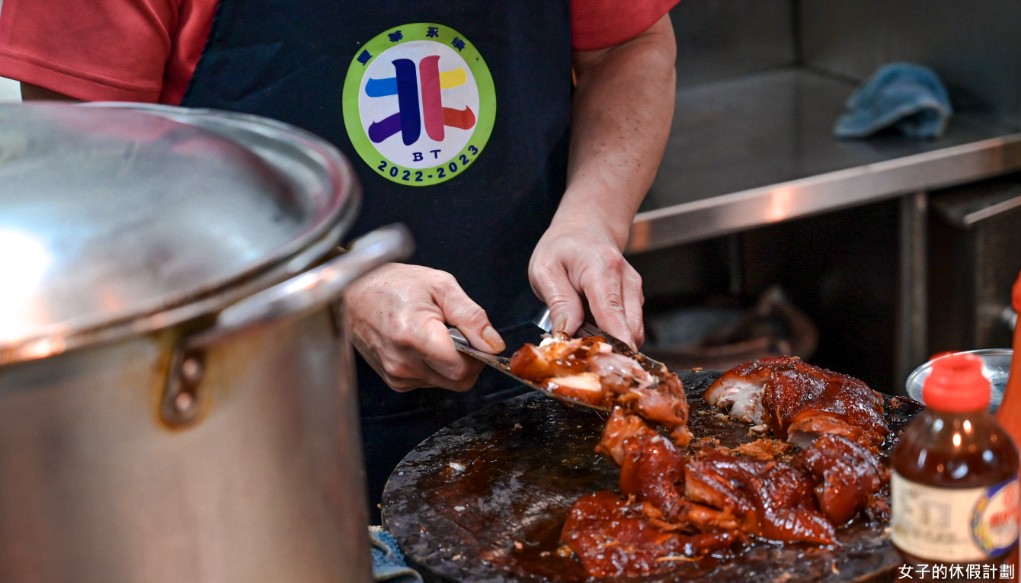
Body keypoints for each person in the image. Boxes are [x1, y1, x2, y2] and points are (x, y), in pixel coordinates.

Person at [0, 1, 680, 509]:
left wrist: (590, 217)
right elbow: (90, 169)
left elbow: (630, 45)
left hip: (525, 383)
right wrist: (332, 283)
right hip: (254, 439)